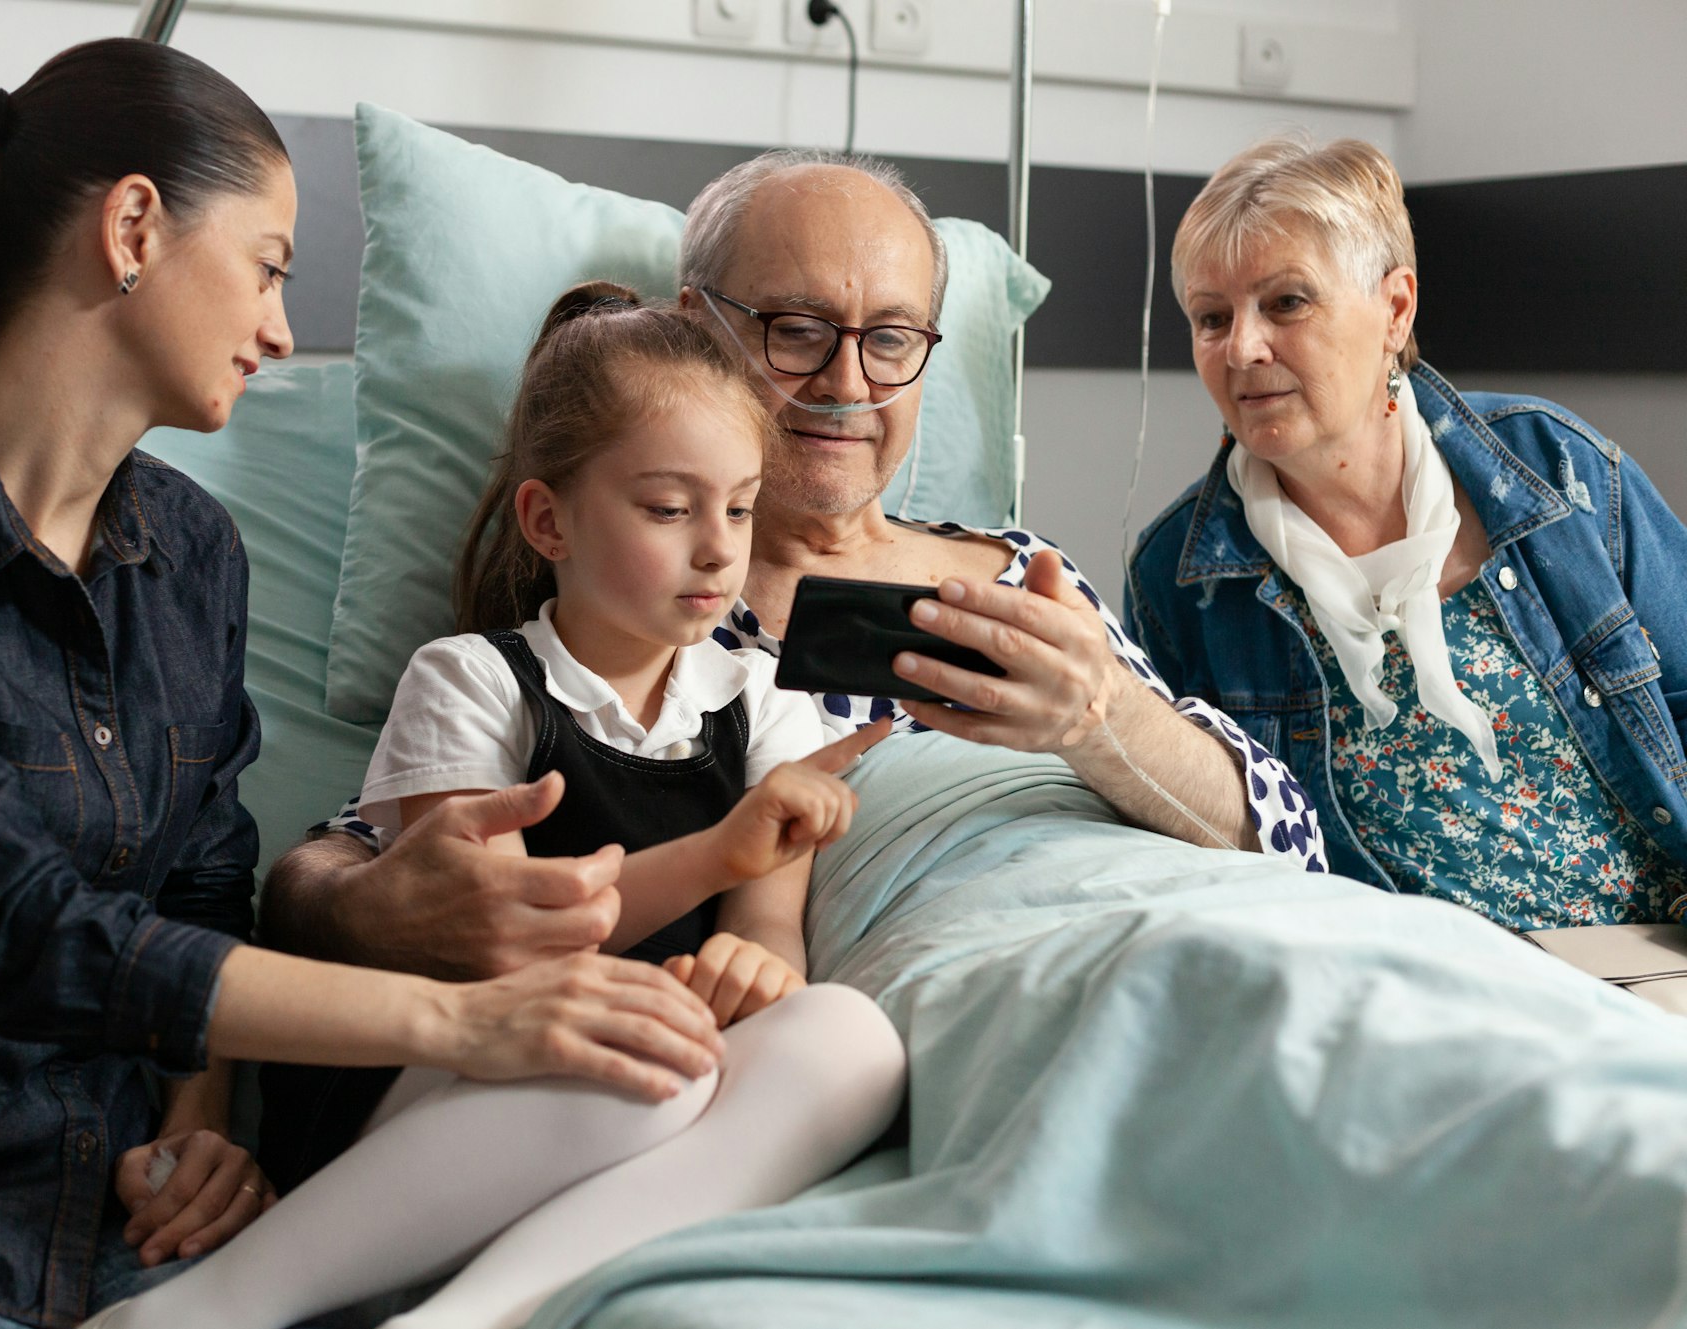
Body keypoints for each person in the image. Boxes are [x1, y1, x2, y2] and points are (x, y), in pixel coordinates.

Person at [0, 40, 731, 1329]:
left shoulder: (188, 550)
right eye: (269, 267)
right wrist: (469, 1021)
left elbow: (196, 878)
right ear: (133, 228)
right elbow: (23, 930)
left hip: (129, 1229)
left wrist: (198, 1130)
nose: (283, 329)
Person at [257, 150, 1329, 1182]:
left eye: (892, 337)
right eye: (797, 330)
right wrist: (365, 909)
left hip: (1208, 937)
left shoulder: (1022, 573)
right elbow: (353, 871)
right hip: (956, 1016)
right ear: (692, 327)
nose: (847, 381)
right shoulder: (632, 627)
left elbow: (1282, 838)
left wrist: (1100, 720)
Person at [81, 282, 903, 1329]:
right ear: (547, 518)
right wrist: (714, 856)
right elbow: (510, 950)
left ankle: (468, 1318)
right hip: (437, 1081)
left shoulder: (761, 701)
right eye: (667, 508)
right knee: (626, 1054)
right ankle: (206, 1311)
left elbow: (766, 935)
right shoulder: (471, 681)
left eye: (739, 507)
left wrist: (752, 968)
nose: (715, 548)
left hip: (627, 1100)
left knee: (849, 1043)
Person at [1125, 134, 1687, 930]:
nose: (1242, 349)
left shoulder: (1556, 467)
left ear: (1395, 309)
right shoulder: (1181, 581)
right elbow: (1187, 850)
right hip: (1415, 994)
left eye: (1286, 302)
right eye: (1211, 318)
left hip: (1658, 954)